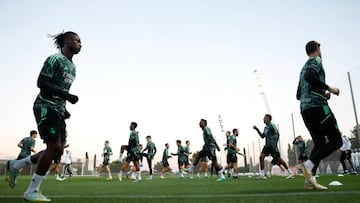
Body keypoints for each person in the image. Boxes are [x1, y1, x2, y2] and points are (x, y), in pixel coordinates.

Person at [6, 31, 81, 201]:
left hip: (58, 109)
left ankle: (16, 165)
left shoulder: (73, 67)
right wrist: (67, 96)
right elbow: (41, 83)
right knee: (53, 146)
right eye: (77, 41)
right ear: (67, 41)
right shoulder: (54, 59)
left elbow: (60, 90)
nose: (80, 44)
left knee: (57, 151)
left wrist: (64, 107)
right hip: (45, 106)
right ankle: (31, 191)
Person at [296, 40, 342, 190]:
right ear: (317, 49)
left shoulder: (302, 68)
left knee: (320, 142)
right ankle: (308, 167)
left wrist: (322, 94)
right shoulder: (316, 60)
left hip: (305, 109)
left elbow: (298, 94)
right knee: (337, 141)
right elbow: (310, 76)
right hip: (318, 108)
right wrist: (330, 88)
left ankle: (310, 180)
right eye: (320, 49)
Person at [253, 114, 294, 180]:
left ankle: (290, 172)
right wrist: (257, 129)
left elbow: (277, 134)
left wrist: (274, 144)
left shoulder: (272, 125)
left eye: (265, 118)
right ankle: (262, 174)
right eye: (264, 118)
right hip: (267, 146)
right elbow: (262, 136)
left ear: (269, 119)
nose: (263, 119)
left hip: (272, 146)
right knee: (261, 157)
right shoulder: (266, 127)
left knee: (279, 160)